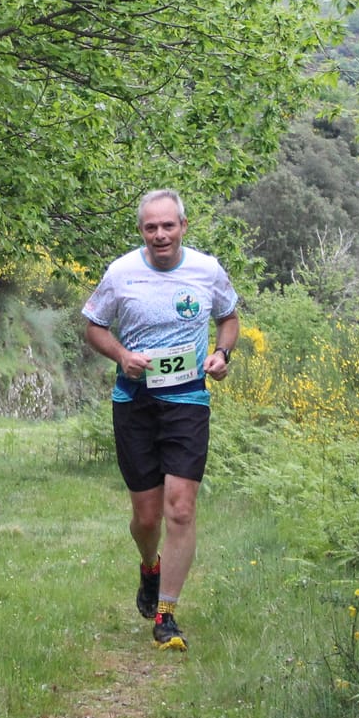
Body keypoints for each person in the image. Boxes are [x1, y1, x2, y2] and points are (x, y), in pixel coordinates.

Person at [81, 189, 239, 651]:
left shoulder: (207, 270)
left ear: (183, 227)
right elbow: (93, 325)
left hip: (188, 398)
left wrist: (222, 353)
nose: (160, 234)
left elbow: (229, 318)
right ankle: (149, 566)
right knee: (146, 517)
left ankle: (166, 615)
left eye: (168, 225)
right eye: (151, 227)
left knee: (181, 508)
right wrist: (122, 355)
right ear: (141, 232)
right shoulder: (121, 272)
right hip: (134, 400)